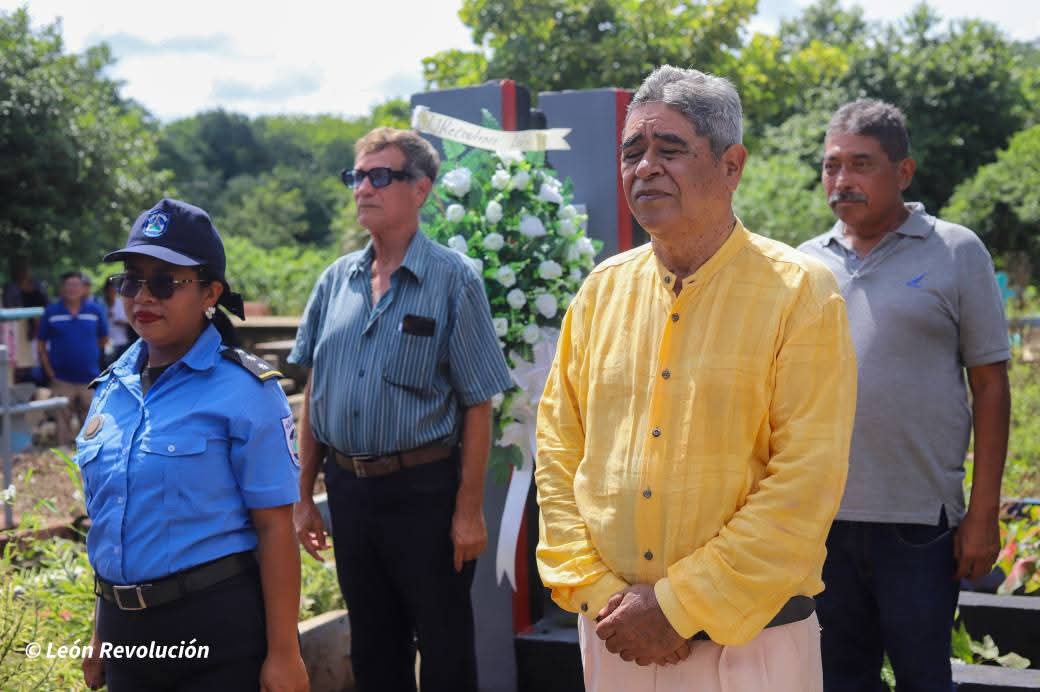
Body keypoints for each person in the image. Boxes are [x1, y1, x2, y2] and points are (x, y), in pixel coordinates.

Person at [534, 65, 857, 692]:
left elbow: (807, 481)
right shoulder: (601, 292)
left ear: (731, 166)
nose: (645, 167)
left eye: (670, 149)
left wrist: (677, 606)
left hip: (751, 650)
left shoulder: (800, 292)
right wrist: (601, 593)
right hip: (615, 637)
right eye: (632, 151)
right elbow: (557, 452)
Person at [798, 99, 1011, 691]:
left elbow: (991, 386)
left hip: (919, 524)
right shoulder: (804, 265)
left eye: (861, 164)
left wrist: (984, 513)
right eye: (832, 165)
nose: (842, 180)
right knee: (839, 681)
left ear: (904, 172)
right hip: (822, 523)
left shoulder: (955, 251)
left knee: (924, 679)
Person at [289, 127, 512, 692]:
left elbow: (478, 402)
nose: (363, 188)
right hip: (350, 491)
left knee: (445, 650)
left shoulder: (454, 279)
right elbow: (316, 392)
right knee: (373, 648)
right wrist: (303, 497)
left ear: (421, 189)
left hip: (425, 495)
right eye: (357, 176)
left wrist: (469, 511)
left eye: (380, 176)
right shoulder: (335, 281)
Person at [76, 198, 309, 692]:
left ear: (210, 293)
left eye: (165, 282)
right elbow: (114, 521)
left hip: (213, 633)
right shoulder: (111, 389)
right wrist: (101, 633)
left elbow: (275, 530)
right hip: (125, 638)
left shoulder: (246, 391)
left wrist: (285, 653)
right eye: (131, 281)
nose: (143, 296)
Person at [37, 271, 108, 445]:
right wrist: (50, 372)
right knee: (62, 426)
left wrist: (87, 354)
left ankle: (90, 456)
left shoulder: (95, 310)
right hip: (61, 379)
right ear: (62, 288)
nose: (72, 289)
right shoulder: (51, 312)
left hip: (90, 378)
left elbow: (104, 339)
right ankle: (62, 456)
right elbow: (41, 344)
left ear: (83, 288)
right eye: (69, 285)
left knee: (93, 425)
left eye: (76, 285)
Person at [102, 274, 133, 365]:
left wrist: (121, 322)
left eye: (114, 289)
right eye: (110, 289)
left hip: (123, 342)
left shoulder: (122, 303)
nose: (112, 291)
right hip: (106, 343)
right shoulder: (100, 304)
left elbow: (131, 321)